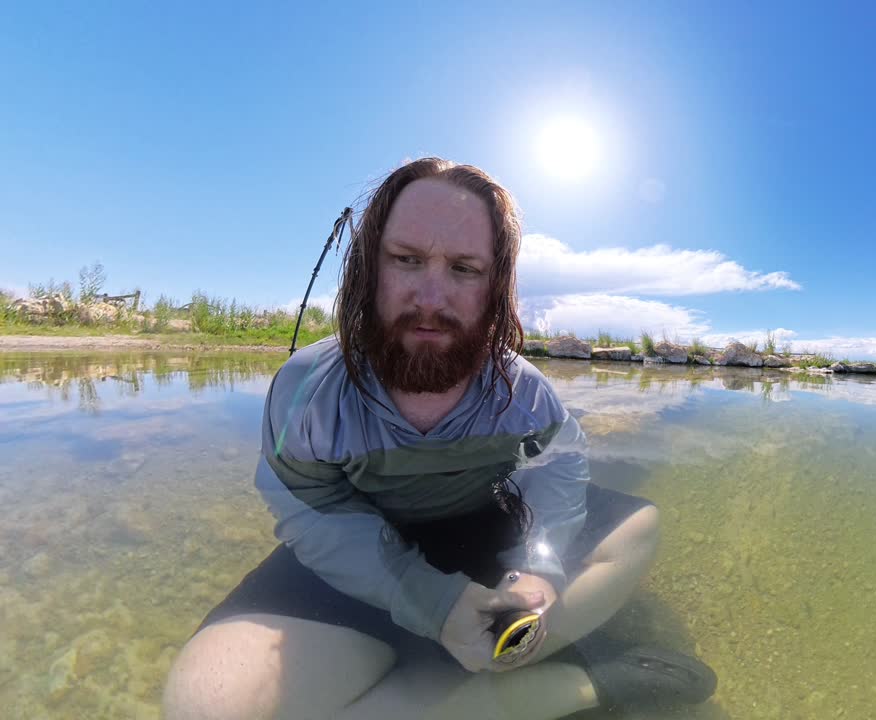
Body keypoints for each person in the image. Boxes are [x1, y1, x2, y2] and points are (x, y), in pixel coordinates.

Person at [162, 158, 716, 720]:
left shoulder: (526, 391)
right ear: (368, 268)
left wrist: (538, 565)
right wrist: (431, 600)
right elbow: (311, 510)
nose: (431, 297)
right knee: (204, 706)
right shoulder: (306, 390)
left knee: (638, 527)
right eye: (406, 259)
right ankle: (569, 685)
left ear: (495, 287)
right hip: (363, 553)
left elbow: (560, 466)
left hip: (490, 537)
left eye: (464, 268)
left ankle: (488, 678)